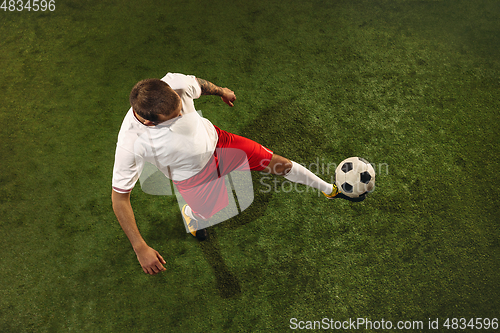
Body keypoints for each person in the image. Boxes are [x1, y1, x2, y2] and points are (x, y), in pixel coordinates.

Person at [111, 72, 355, 275]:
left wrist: (221, 91)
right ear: (149, 122)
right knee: (212, 213)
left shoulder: (176, 85)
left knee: (278, 163)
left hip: (220, 142)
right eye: (175, 118)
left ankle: (328, 190)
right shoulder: (131, 141)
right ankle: (192, 215)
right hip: (193, 177)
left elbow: (198, 84)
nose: (183, 116)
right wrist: (139, 247)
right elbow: (119, 198)